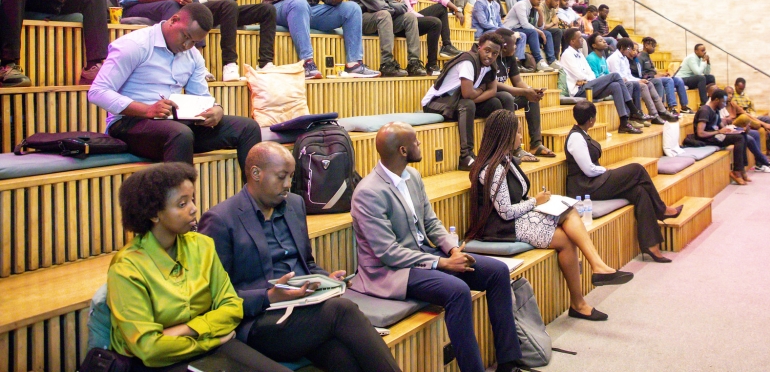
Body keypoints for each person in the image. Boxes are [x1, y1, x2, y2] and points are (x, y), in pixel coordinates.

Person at [199, 143, 402, 372]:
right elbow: (215, 297)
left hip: (304, 310)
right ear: (256, 173)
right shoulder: (220, 220)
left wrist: (327, 279)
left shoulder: (294, 204)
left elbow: (308, 263)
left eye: (291, 177)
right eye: (281, 177)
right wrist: (269, 297)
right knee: (342, 310)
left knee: (343, 359)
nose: (287, 185)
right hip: (262, 321)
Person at [351, 122, 525, 372]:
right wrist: (442, 262)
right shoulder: (368, 192)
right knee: (456, 290)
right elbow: (388, 252)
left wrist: (453, 250)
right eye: (415, 141)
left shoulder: (413, 176)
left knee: (497, 272)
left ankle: (509, 363)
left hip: (425, 257)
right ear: (402, 150)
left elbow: (431, 222)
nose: (420, 144)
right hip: (392, 273)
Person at [108, 163, 288, 372]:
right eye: (182, 204)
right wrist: (211, 340)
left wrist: (187, 329)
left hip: (210, 344)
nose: (194, 208)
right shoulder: (127, 268)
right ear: (154, 214)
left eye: (192, 199)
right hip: (158, 363)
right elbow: (149, 349)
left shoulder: (201, 245)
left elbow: (232, 307)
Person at [468, 110, 633, 321]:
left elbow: (517, 198)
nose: (521, 137)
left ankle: (596, 269)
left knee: (568, 210)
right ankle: (581, 298)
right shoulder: (492, 168)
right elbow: (506, 212)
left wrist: (537, 203)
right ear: (505, 136)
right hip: (500, 228)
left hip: (514, 219)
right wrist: (535, 203)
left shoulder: (507, 160)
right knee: (565, 239)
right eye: (518, 133)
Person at [88, 3, 262, 166]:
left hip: (173, 124)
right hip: (129, 124)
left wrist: (216, 109)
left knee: (248, 128)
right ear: (174, 20)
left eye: (194, 41)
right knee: (179, 134)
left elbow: (201, 97)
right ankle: (183, 199)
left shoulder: (193, 56)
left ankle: (256, 197)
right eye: (185, 37)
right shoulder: (134, 45)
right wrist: (146, 110)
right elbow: (97, 91)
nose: (187, 45)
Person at [565, 101, 683, 262]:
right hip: (586, 187)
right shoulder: (576, 138)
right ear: (592, 119)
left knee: (639, 192)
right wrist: (606, 170)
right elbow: (588, 169)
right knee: (637, 169)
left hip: (594, 181)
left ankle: (650, 244)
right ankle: (661, 209)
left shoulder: (582, 133)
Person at [422, 32, 515, 170]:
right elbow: (467, 94)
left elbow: (493, 91)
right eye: (487, 50)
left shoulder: (490, 64)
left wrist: (478, 92)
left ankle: (503, 151)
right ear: (479, 48)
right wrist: (480, 90)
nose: (490, 56)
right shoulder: (468, 61)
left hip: (458, 102)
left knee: (499, 101)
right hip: (435, 102)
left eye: (494, 53)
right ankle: (466, 156)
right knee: (468, 104)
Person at [352, 0, 423, 78]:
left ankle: (414, 63)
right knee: (384, 14)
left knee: (410, 17)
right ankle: (387, 64)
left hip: (384, 18)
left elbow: (404, 7)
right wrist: (392, 3)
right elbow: (380, 7)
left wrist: (389, 4)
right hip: (362, 20)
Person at [561, 29, 643, 134]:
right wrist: (585, 79)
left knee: (615, 86)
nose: (583, 40)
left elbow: (590, 73)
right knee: (615, 75)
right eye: (580, 38)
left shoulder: (580, 54)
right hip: (578, 90)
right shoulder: (567, 54)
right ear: (572, 41)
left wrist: (586, 79)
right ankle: (633, 109)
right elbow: (578, 74)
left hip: (587, 85)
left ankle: (624, 122)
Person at [492, 28, 555, 160]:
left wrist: (530, 90)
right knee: (508, 97)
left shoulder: (510, 58)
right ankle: (515, 148)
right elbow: (494, 85)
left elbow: (518, 81)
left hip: (506, 98)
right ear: (503, 47)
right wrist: (524, 91)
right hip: (493, 100)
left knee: (531, 98)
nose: (516, 46)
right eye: (514, 43)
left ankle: (536, 144)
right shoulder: (491, 57)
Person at [398, 0, 464, 75]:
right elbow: (408, 11)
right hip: (403, 25)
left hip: (413, 20)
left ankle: (447, 46)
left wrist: (456, 9)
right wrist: (426, 19)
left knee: (441, 7)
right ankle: (432, 65)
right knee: (435, 22)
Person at [586, 34, 647, 127]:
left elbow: (607, 74)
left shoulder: (603, 58)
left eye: (604, 40)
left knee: (620, 85)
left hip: (605, 86)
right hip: (594, 87)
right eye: (600, 40)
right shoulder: (591, 58)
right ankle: (633, 110)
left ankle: (625, 120)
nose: (604, 41)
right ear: (594, 45)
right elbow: (595, 78)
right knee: (617, 76)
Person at [608, 38, 673, 124]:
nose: (631, 51)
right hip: (619, 83)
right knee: (642, 86)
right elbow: (619, 76)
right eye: (629, 49)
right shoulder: (614, 58)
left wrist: (640, 80)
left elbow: (629, 75)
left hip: (628, 81)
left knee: (648, 83)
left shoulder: (624, 59)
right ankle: (652, 114)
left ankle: (661, 111)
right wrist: (638, 82)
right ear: (622, 47)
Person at [694, 89, 749, 185]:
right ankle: (736, 171)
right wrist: (719, 131)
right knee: (739, 138)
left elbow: (722, 127)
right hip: (707, 139)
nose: (725, 105)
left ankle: (741, 168)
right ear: (716, 100)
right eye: (723, 102)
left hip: (716, 135)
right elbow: (700, 133)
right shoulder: (705, 111)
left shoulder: (716, 110)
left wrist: (734, 130)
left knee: (742, 135)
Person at [502, 0, 554, 72]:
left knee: (547, 34)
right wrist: (540, 32)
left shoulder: (536, 7)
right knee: (534, 32)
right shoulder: (521, 5)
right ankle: (538, 61)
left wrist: (540, 13)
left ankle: (551, 60)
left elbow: (540, 26)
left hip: (526, 30)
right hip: (512, 29)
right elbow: (525, 24)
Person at [638, 37, 693, 114]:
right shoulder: (640, 57)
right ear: (646, 45)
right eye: (653, 46)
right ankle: (672, 108)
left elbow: (653, 72)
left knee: (678, 80)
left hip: (655, 78)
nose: (654, 49)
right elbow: (641, 74)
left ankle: (684, 107)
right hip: (649, 80)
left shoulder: (648, 56)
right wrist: (656, 76)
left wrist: (662, 74)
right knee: (668, 80)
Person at [540, 0, 565, 66]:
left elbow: (556, 25)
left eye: (559, 1)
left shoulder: (553, 8)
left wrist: (552, 24)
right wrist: (552, 23)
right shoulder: (541, 7)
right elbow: (543, 26)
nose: (558, 3)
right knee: (558, 32)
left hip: (548, 29)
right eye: (556, 0)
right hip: (539, 30)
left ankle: (564, 57)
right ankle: (554, 59)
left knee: (567, 32)